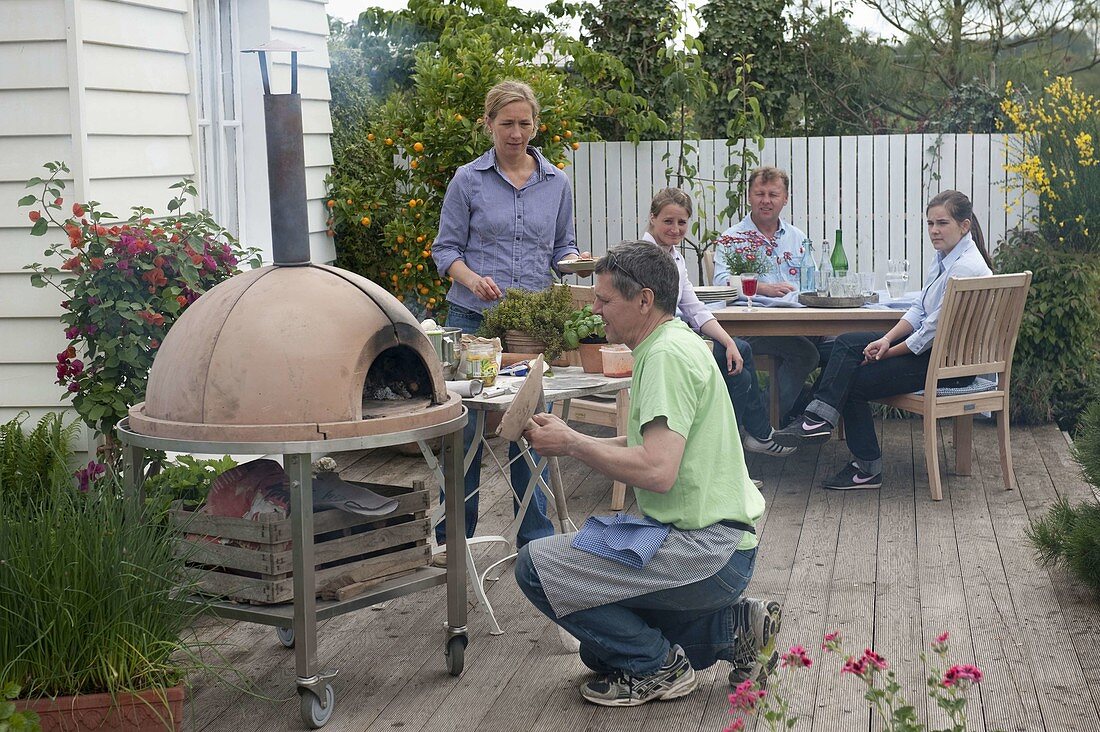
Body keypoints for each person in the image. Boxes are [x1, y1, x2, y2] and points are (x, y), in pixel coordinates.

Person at [515, 240, 782, 707]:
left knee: (535, 566)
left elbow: (657, 470)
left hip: (704, 551)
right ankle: (734, 629)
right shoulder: (675, 340)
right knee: (600, 653)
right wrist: (571, 441)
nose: (595, 310)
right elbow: (651, 447)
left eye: (603, 300)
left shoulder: (665, 358)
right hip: (723, 545)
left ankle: (660, 670)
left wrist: (574, 442)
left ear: (643, 298)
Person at [432, 79, 587, 551]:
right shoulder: (468, 180)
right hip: (473, 324)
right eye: (506, 123)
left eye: (524, 123)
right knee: (467, 432)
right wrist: (472, 277)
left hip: (528, 330)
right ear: (489, 125)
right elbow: (446, 251)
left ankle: (536, 539)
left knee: (531, 425)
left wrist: (579, 262)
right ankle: (453, 538)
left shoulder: (556, 182)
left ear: (535, 126)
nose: (515, 132)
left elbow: (563, 248)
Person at [772, 190, 994, 489]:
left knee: (852, 378)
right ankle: (819, 418)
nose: (934, 230)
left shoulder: (966, 268)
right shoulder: (944, 257)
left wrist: (886, 353)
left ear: (964, 225)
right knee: (848, 343)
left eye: (942, 223)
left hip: (946, 367)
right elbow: (919, 310)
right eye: (930, 223)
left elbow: (930, 332)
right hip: (933, 354)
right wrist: (887, 340)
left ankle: (865, 467)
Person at [643, 188, 793, 456]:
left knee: (737, 352)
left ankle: (733, 446)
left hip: (677, 335)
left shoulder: (674, 256)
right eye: (668, 221)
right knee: (738, 359)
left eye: (681, 222)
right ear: (652, 218)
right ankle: (743, 443)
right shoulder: (644, 256)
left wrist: (726, 341)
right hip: (658, 345)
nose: (676, 229)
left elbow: (694, 308)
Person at [712, 167, 819, 424]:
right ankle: (763, 421)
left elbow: (812, 281)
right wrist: (762, 287)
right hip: (749, 328)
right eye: (759, 193)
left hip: (796, 326)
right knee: (806, 355)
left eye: (773, 194)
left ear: (786, 198)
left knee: (841, 349)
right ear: (749, 196)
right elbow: (719, 282)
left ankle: (804, 414)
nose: (766, 200)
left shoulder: (797, 238)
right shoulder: (732, 238)